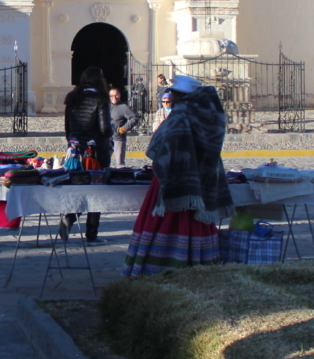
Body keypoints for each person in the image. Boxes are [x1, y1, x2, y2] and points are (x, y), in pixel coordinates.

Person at [122, 75, 233, 277]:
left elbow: (162, 144)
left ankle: (161, 270)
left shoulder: (181, 115)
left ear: (179, 96)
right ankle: (198, 268)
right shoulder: (209, 115)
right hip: (201, 179)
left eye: (172, 94)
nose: (170, 97)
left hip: (175, 179)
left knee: (170, 223)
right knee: (196, 225)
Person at [58, 66, 113, 244]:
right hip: (96, 151)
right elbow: (105, 129)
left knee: (79, 186)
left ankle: (70, 217)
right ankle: (91, 234)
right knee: (96, 190)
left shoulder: (72, 98)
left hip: (75, 150)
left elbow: (67, 129)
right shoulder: (100, 99)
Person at [109, 86, 140, 168]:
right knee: (104, 162)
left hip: (118, 139)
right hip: (107, 138)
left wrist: (125, 128)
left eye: (116, 95)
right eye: (111, 95)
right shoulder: (106, 106)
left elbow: (135, 118)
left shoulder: (124, 107)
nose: (114, 97)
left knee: (120, 164)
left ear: (119, 95)